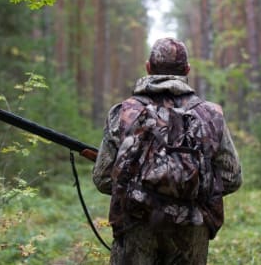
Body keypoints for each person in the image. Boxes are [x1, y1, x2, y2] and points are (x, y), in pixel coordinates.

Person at [92, 37, 242, 265]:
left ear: (148, 67)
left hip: (136, 226)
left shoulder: (123, 113)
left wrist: (142, 189)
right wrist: (188, 192)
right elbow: (232, 178)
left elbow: (103, 179)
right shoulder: (211, 114)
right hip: (193, 229)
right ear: (187, 70)